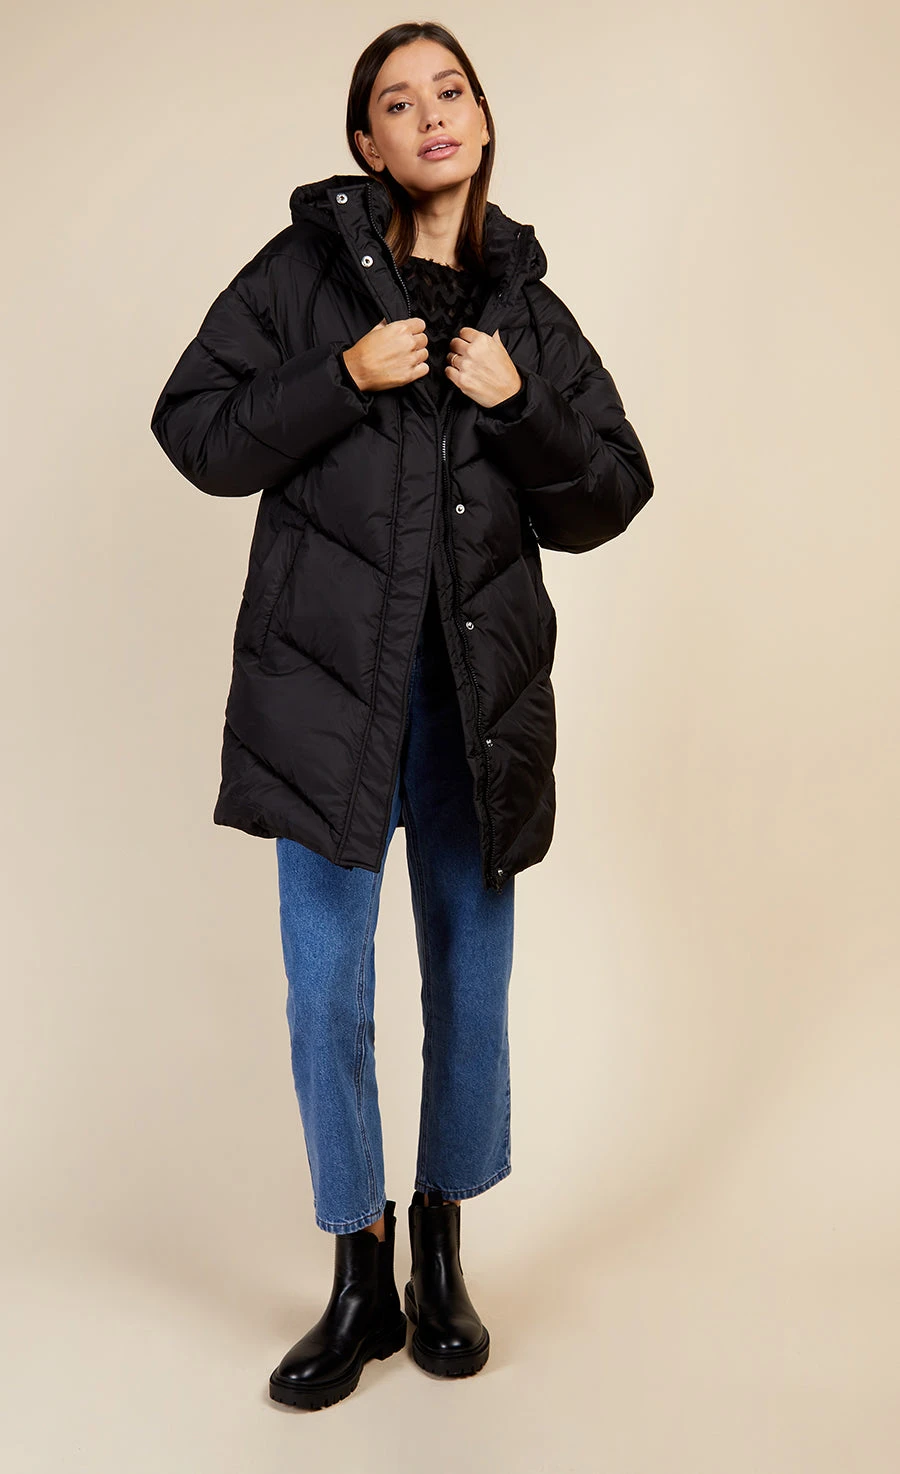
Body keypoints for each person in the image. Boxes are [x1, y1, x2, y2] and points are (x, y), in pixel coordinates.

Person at [150, 21, 654, 1411]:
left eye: (452, 90)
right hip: (326, 701)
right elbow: (194, 428)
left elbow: (612, 494)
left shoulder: (526, 311)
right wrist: (341, 377)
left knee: (469, 989)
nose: (431, 114)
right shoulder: (301, 276)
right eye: (397, 99)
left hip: (473, 710)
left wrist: (525, 406)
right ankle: (358, 1270)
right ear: (364, 141)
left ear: (481, 119)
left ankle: (441, 1245)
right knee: (328, 994)